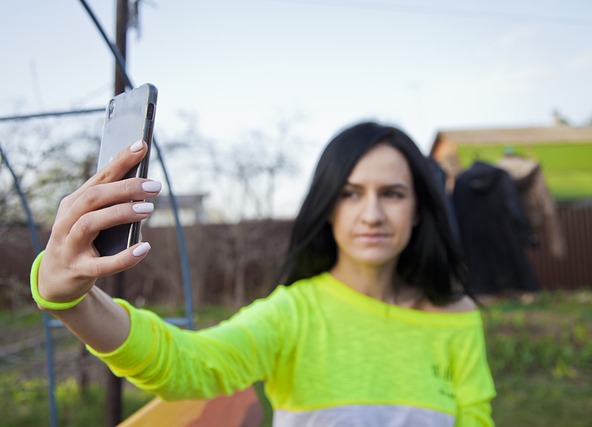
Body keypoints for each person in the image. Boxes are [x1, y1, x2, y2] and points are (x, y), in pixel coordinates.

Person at [31, 121, 496, 426]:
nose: (371, 214)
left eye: (392, 193)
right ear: (328, 209)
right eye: (351, 194)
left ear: (418, 210)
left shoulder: (457, 318)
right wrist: (70, 300)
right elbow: (186, 365)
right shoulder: (294, 314)